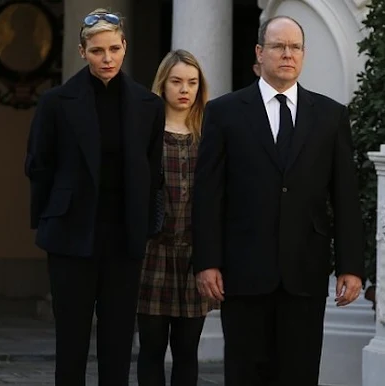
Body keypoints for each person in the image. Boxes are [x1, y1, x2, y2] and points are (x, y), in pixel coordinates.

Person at [192, 16, 365, 386]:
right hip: (243, 272)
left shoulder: (331, 115)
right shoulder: (224, 112)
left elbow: (345, 195)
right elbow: (208, 194)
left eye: (295, 47)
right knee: (245, 373)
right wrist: (207, 262)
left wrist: (351, 265)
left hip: (306, 270)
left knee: (299, 374)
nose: (288, 54)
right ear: (260, 52)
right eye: (278, 46)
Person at [24, 8, 164, 386]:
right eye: (98, 51)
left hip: (124, 237)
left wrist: (146, 225)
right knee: (70, 341)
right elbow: (39, 164)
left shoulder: (148, 105)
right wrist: (49, 216)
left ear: (125, 48)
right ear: (83, 51)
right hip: (70, 235)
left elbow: (153, 173)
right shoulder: (56, 102)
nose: (107, 59)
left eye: (114, 49)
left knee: (118, 343)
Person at [136, 49, 216, 386]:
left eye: (192, 83)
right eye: (177, 82)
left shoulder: (209, 135)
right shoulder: (147, 133)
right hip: (152, 253)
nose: (185, 89)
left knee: (187, 348)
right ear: (163, 84)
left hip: (193, 257)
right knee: (152, 346)